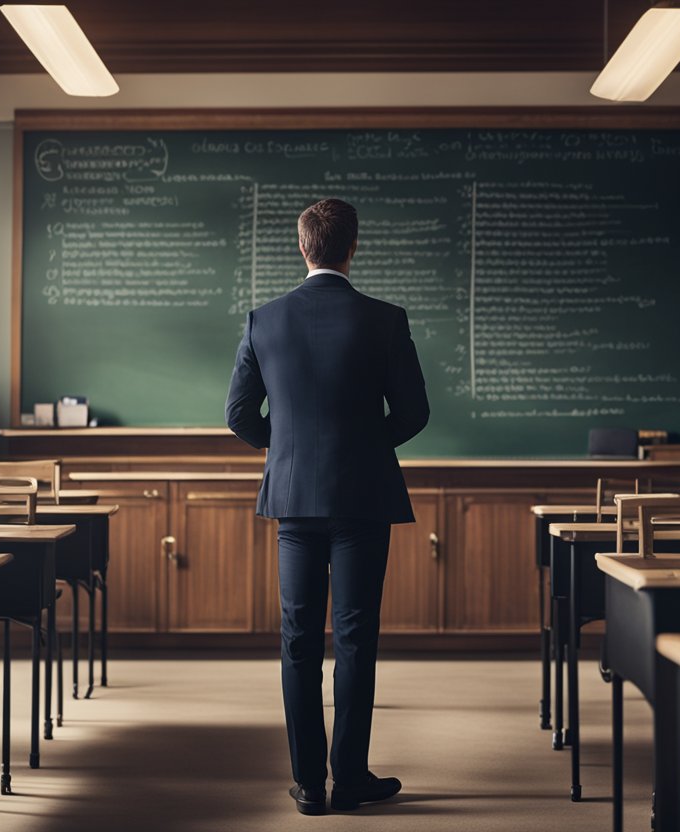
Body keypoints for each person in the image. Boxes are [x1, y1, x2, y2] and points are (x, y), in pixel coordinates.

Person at [225, 198, 429, 815]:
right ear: (353, 246)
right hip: (363, 499)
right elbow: (415, 413)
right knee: (355, 639)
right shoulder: (386, 320)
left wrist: (285, 450)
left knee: (297, 641)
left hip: (293, 503)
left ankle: (309, 784)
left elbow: (239, 417)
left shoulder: (265, 321)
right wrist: (364, 446)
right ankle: (351, 777)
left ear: (303, 247)